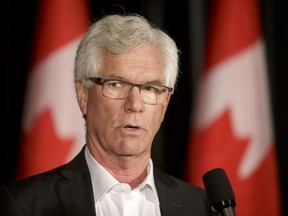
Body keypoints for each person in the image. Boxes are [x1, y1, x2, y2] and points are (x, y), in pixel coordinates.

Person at [0, 14, 214, 216]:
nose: (135, 104)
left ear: (165, 103)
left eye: (150, 88)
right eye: (116, 84)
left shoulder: (201, 206)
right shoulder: (25, 205)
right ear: (83, 95)